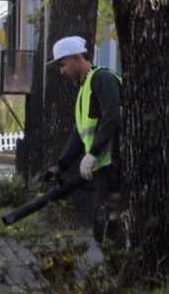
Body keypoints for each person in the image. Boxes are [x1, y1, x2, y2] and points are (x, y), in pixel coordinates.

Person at [45, 35, 124, 247]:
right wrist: (61, 165)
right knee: (102, 228)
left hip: (113, 165)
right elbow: (79, 134)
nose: (61, 71)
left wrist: (93, 153)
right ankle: (116, 275)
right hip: (102, 167)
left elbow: (112, 118)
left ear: (77, 57)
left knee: (108, 227)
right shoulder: (84, 88)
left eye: (63, 64)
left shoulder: (102, 78)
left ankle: (120, 276)